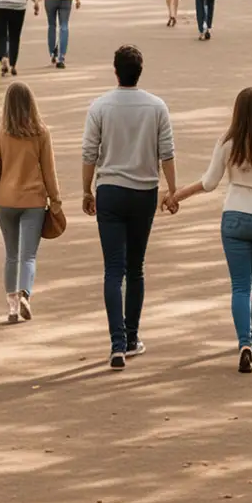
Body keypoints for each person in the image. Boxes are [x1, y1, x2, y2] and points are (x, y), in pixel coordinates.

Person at [173, 87, 252, 373]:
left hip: (235, 219)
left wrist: (177, 195)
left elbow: (209, 182)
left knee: (241, 286)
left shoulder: (228, 141)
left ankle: (243, 342)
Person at [82, 43, 177, 369]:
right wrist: (173, 190)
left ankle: (117, 343)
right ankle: (132, 336)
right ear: (139, 71)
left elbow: (88, 154)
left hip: (109, 190)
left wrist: (85, 190)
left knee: (113, 269)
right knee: (135, 268)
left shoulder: (100, 107)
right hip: (142, 191)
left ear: (115, 71)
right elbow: (167, 153)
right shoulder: (156, 107)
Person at [0, 82, 65, 324]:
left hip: (5, 202)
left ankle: (11, 307)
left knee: (12, 256)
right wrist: (56, 200)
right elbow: (49, 171)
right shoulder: (41, 133)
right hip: (33, 201)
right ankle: (25, 293)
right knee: (28, 256)